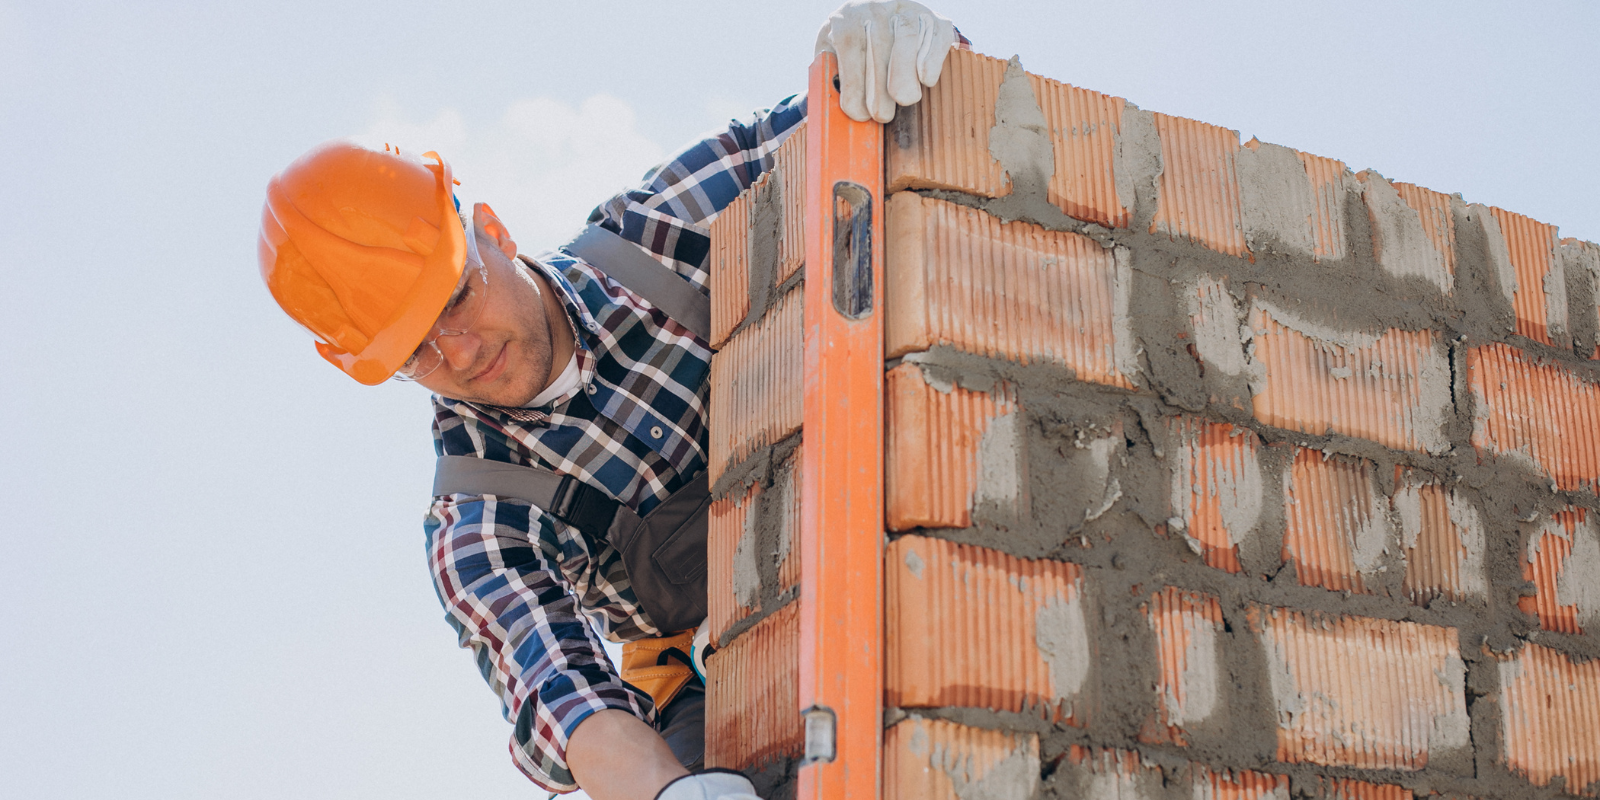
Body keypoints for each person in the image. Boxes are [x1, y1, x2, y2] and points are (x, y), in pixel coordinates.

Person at [255, 3, 959, 798]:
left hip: (877, 518)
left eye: (453, 299)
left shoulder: (665, 232)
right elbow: (565, 696)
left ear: (490, 227)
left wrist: (899, 51)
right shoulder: (480, 517)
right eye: (411, 351)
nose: (459, 352)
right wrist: (669, 794)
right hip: (713, 673)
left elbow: (854, 113)